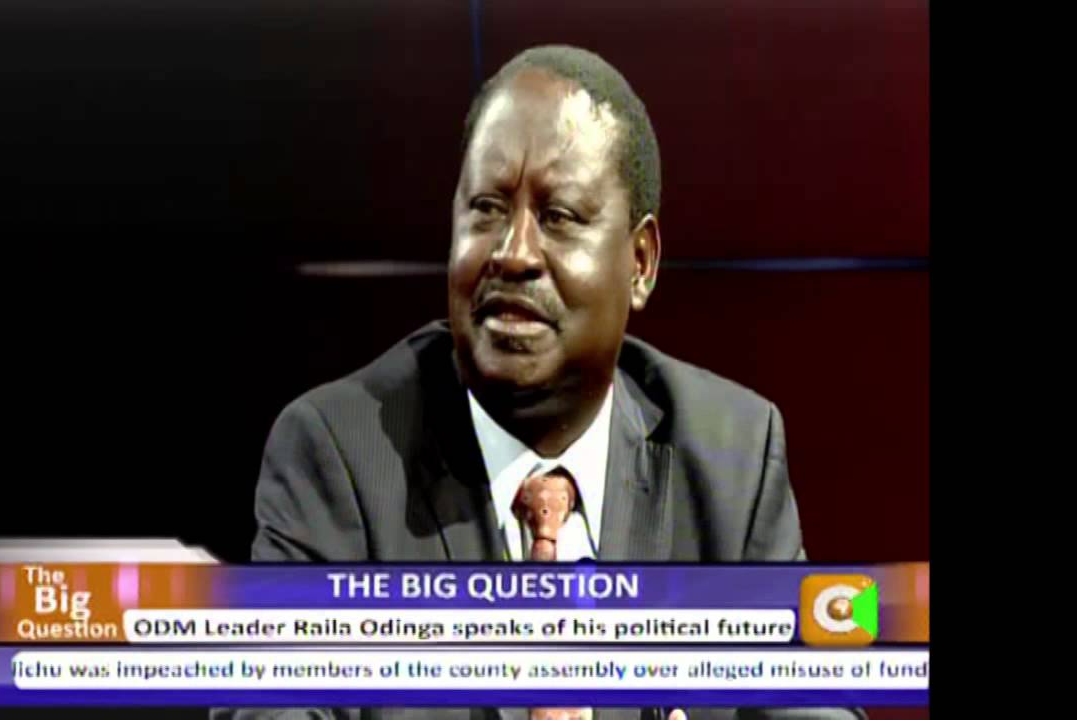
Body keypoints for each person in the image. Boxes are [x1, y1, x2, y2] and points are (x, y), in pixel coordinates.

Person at [244, 45, 863, 720]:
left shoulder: (730, 458)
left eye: (559, 216)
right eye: (486, 208)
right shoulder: (339, 456)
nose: (513, 254)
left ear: (640, 263)